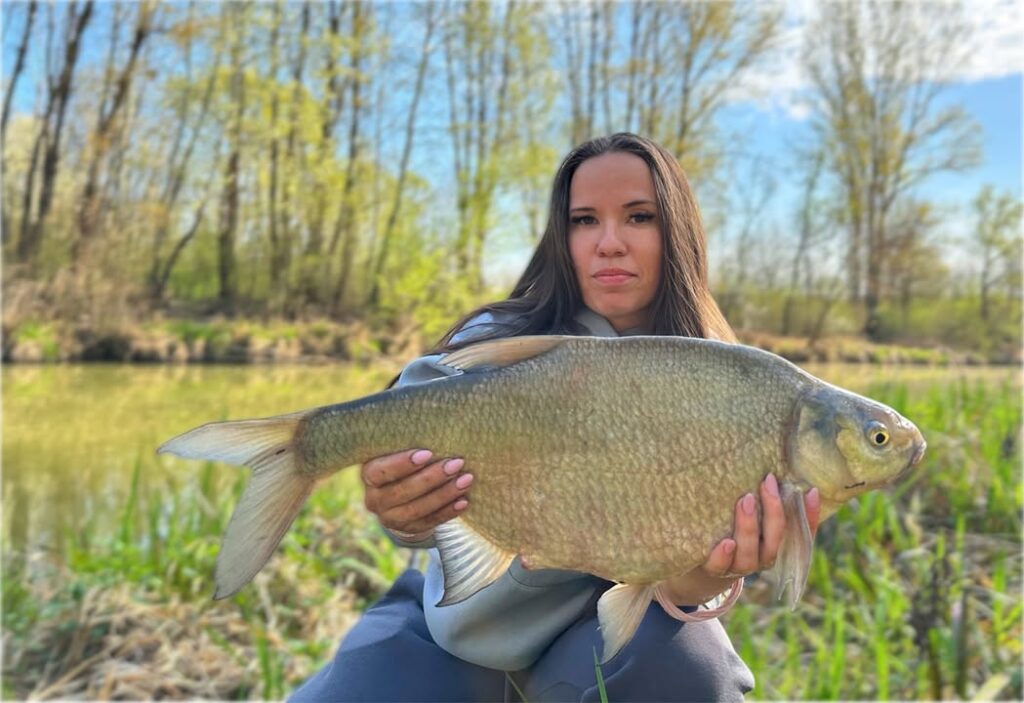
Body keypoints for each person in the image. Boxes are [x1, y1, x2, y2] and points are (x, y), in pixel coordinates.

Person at [292, 133, 821, 702]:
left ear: (678, 231)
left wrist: (699, 581)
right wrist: (403, 511)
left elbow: (680, 591)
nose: (609, 243)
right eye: (584, 220)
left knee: (693, 669)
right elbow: (408, 465)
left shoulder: (726, 376)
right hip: (459, 625)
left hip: (598, 633)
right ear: (560, 237)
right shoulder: (501, 338)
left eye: (639, 217)